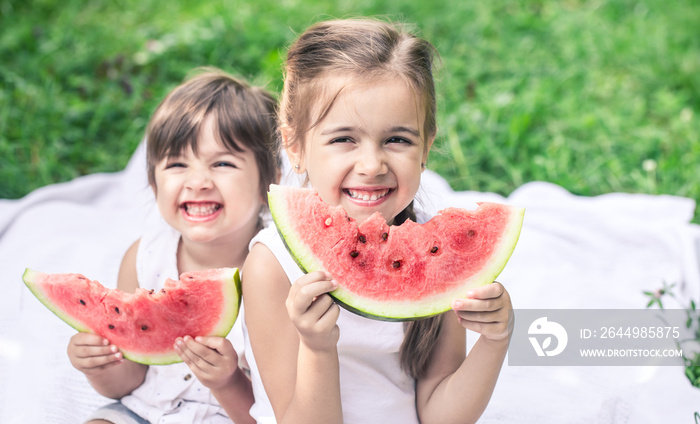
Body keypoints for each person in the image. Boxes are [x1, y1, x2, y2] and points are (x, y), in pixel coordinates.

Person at [241, 18, 514, 424]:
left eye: (397, 139)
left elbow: (440, 415)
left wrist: (495, 340)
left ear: (427, 145)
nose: (372, 165)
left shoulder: (433, 256)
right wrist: (317, 348)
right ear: (294, 145)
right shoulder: (270, 267)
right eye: (343, 139)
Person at [66, 67, 279, 424]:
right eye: (177, 164)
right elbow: (129, 380)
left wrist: (228, 383)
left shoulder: (275, 272)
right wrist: (99, 366)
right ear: (154, 185)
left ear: (266, 184)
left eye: (223, 163)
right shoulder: (144, 257)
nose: (198, 182)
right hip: (144, 411)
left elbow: (275, 412)